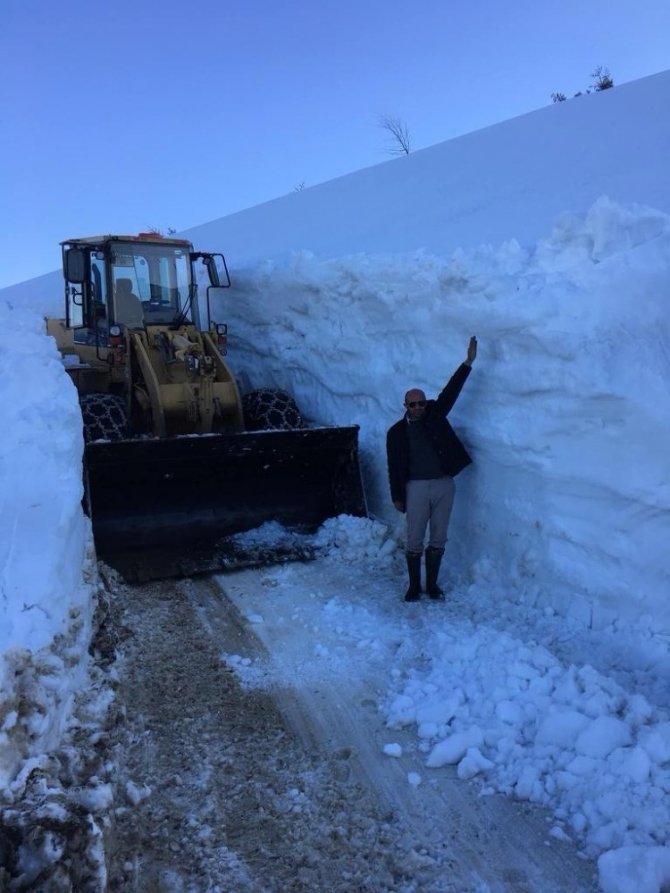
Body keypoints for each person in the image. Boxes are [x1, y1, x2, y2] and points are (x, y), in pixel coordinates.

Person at [386, 336, 477, 602]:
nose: (418, 407)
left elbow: (451, 391)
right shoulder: (396, 433)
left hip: (444, 484)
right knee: (414, 537)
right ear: (406, 406)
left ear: (426, 403)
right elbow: (393, 467)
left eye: (421, 403)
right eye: (413, 404)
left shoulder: (436, 415)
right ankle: (414, 586)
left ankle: (432, 585)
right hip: (415, 487)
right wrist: (397, 496)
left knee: (439, 536)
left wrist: (468, 362)